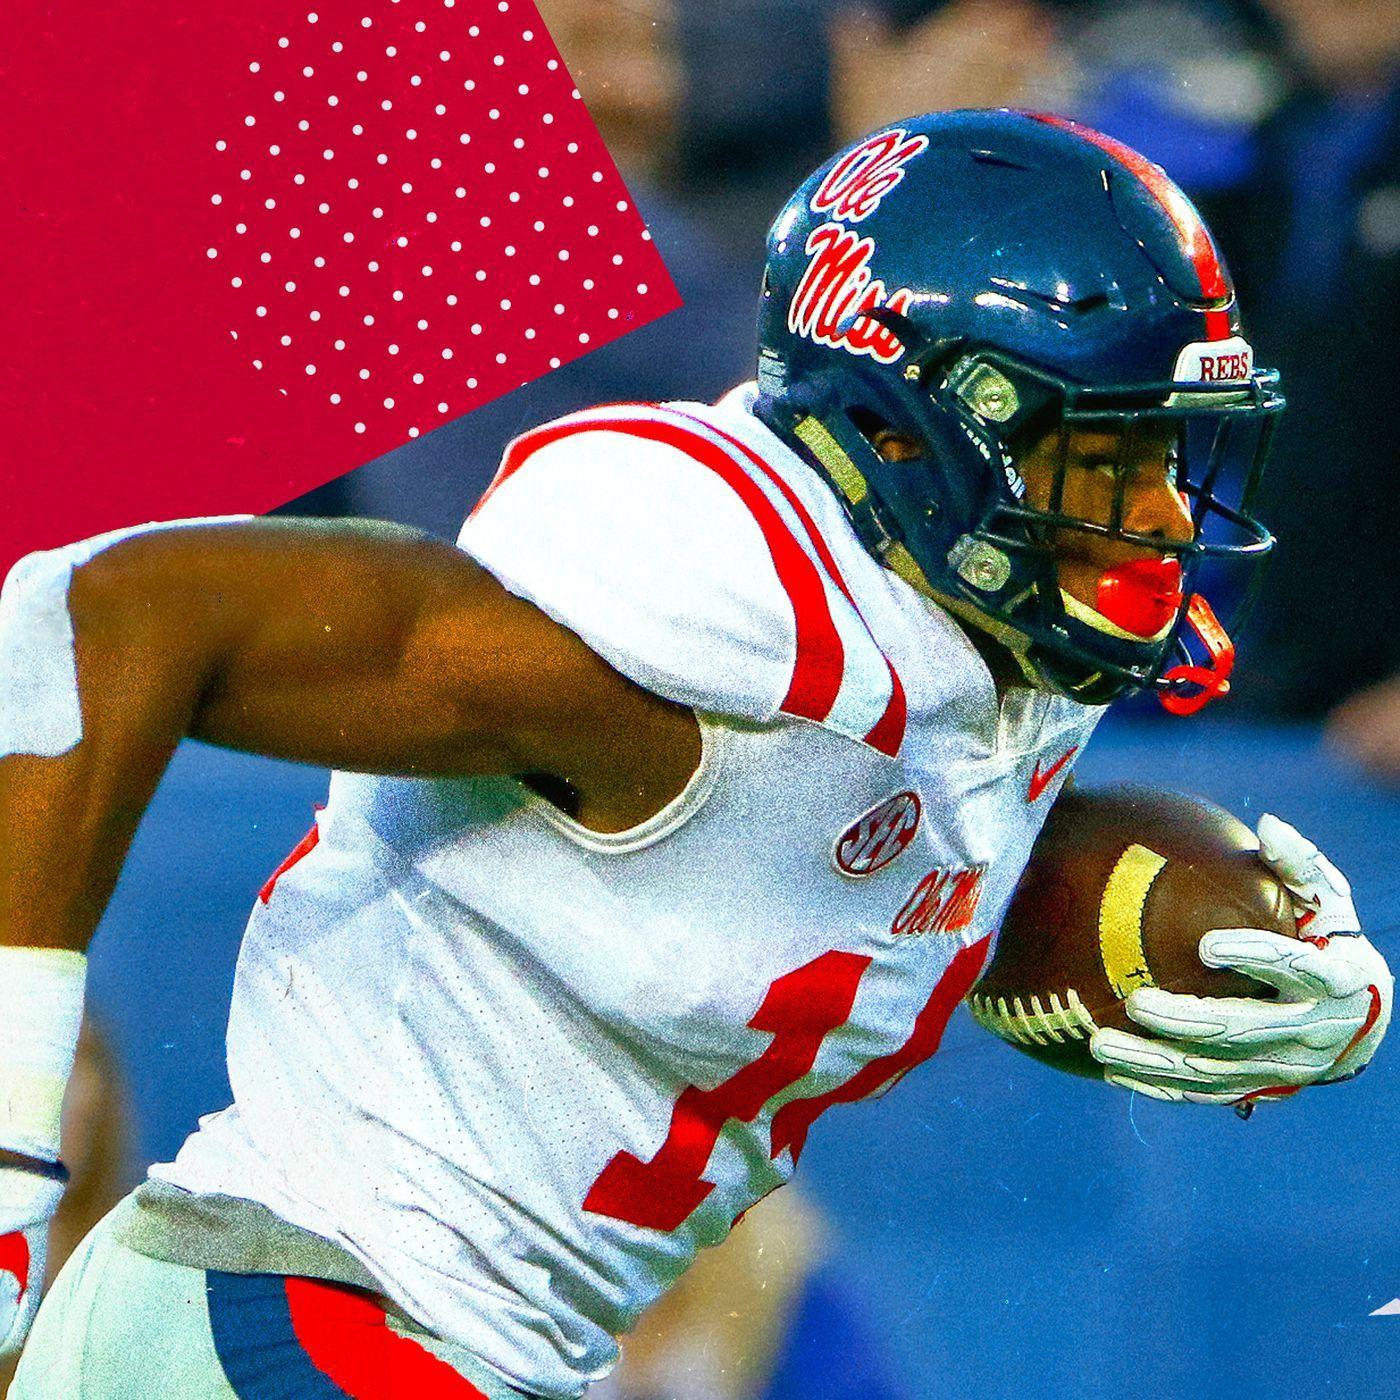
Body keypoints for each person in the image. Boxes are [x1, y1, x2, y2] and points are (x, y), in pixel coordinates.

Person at [1, 111, 1391, 1398]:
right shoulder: (705, 625)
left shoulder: (969, 634)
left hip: (427, 1344)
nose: (1162, 518)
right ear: (911, 433)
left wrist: (1267, 969)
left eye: (1169, 454)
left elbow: (890, 841)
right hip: (284, 1307)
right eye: (1105, 458)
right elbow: (99, 615)